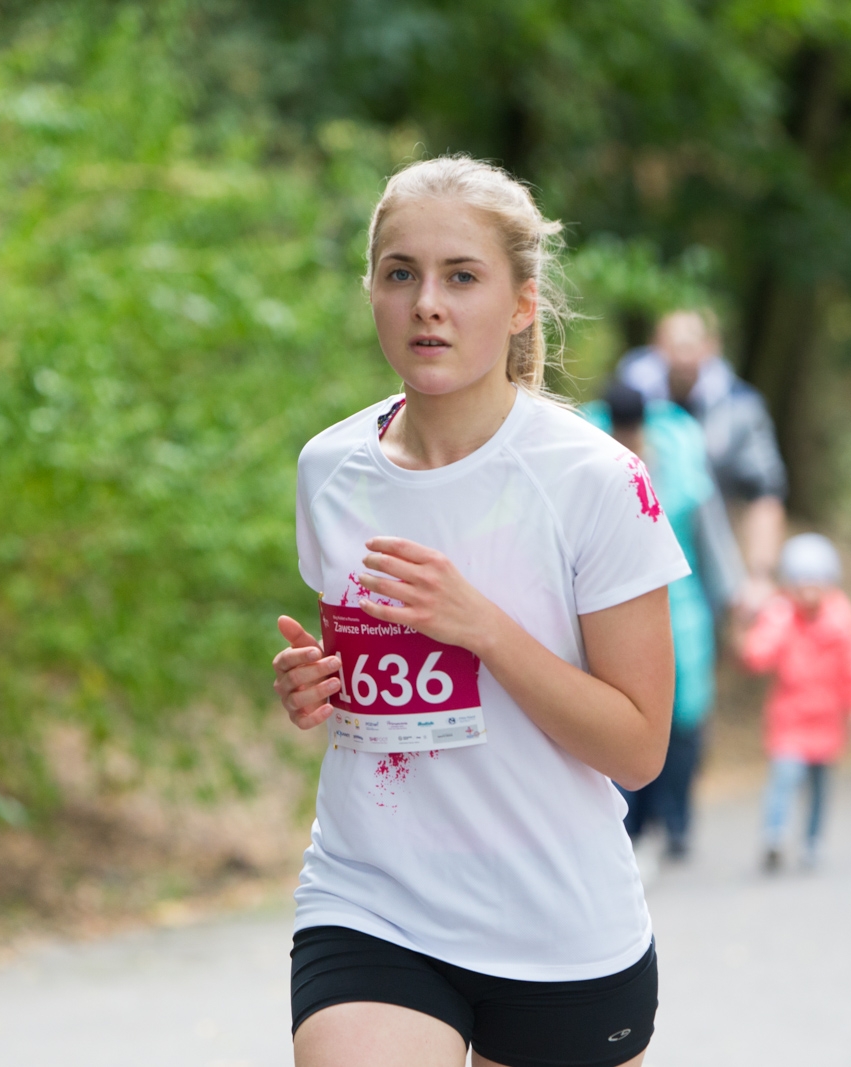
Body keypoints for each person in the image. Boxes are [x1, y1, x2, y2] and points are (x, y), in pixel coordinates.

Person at [273, 156, 687, 1067]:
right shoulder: (329, 470)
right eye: (401, 273)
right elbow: (389, 695)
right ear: (373, 292)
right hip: (371, 896)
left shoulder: (594, 481)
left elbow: (638, 747)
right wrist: (319, 689)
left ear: (521, 303)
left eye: (462, 276)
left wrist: (486, 628)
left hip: (557, 925)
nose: (429, 302)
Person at [583, 383, 730, 863]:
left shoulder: (679, 459)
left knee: (683, 717)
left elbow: (711, 538)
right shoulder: (588, 456)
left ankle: (678, 822)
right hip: (610, 604)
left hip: (680, 604)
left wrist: (731, 596)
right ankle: (630, 822)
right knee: (620, 710)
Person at [616, 310, 786, 614]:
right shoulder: (625, 399)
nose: (683, 355)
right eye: (675, 344)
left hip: (710, 573)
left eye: (691, 343)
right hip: (630, 567)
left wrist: (760, 577)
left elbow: (765, 492)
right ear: (656, 345)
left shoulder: (741, 408)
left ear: (712, 346)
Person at [737, 534, 851, 873]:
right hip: (790, 718)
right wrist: (747, 628)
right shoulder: (782, 616)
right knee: (784, 776)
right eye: (799, 583)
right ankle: (774, 834)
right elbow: (759, 655)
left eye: (815, 583)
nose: (808, 592)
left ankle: (813, 841)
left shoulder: (844, 622)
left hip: (827, 720)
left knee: (819, 786)